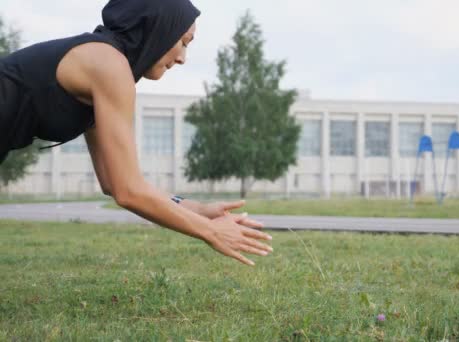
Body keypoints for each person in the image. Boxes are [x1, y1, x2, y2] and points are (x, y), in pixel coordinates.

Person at [0, 0, 273, 266]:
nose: (182, 58)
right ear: (158, 27)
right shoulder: (109, 66)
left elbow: (112, 181)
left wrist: (197, 209)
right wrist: (209, 231)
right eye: (183, 42)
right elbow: (128, 191)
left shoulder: (106, 65)